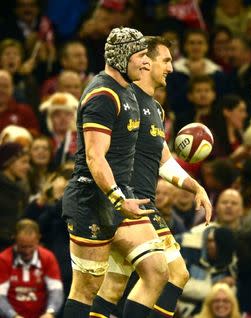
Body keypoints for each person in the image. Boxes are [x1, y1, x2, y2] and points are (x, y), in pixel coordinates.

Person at [90, 36, 212, 318]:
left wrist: (196, 188)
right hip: (127, 201)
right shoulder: (123, 98)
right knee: (174, 273)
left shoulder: (156, 109)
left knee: (113, 286)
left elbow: (164, 161)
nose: (171, 67)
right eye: (166, 60)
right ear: (146, 62)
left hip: (140, 202)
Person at [61, 26, 152, 317]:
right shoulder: (103, 94)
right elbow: (94, 156)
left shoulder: (127, 91)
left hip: (120, 197)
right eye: (141, 55)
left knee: (160, 269)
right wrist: (118, 199)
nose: (147, 62)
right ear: (122, 58)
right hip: (92, 199)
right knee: (86, 288)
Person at [0, 219, 64, 318]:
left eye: (31, 246)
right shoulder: (3, 259)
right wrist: (13, 316)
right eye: (23, 247)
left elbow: (56, 291)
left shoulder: (48, 257)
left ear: (38, 239)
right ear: (15, 239)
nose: (27, 252)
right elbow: (0, 296)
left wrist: (50, 312)